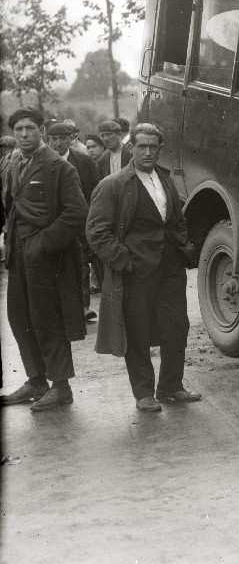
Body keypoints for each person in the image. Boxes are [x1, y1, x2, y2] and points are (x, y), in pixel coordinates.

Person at [87, 123, 201, 412]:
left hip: (170, 268)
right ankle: (143, 394)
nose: (148, 152)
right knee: (137, 332)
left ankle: (171, 386)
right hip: (136, 271)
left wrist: (181, 244)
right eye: (142, 146)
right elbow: (97, 231)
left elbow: (175, 219)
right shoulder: (114, 184)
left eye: (154, 147)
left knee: (177, 326)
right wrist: (124, 260)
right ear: (131, 148)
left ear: (160, 149)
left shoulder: (164, 178)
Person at [1, 107, 88, 410]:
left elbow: (77, 212)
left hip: (45, 255)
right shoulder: (13, 162)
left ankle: (61, 386)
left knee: (47, 318)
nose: (23, 135)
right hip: (17, 252)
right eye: (18, 130)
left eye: (30, 128)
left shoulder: (58, 167)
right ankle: (36, 380)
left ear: (41, 131)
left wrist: (43, 244)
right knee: (20, 317)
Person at [48, 122, 100, 322]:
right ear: (48, 139)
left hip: (80, 221)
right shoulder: (44, 160)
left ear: (71, 139)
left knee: (81, 263)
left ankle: (84, 306)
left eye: (63, 138)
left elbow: (95, 190)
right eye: (54, 139)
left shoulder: (84, 162)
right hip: (53, 223)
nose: (59, 143)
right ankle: (58, 308)